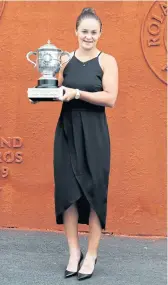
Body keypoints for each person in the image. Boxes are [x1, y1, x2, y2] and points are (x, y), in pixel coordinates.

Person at [53, 7, 118, 281]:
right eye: (84, 31)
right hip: (67, 131)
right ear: (76, 32)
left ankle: (91, 255)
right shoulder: (65, 60)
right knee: (68, 195)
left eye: (93, 32)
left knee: (94, 195)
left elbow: (110, 98)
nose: (88, 37)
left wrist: (78, 92)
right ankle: (73, 253)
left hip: (95, 134)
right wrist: (39, 96)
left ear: (100, 33)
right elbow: (56, 90)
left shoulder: (107, 61)